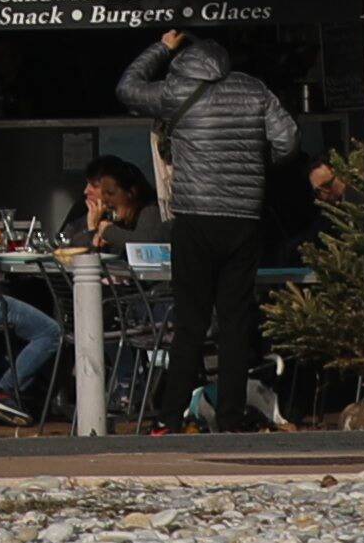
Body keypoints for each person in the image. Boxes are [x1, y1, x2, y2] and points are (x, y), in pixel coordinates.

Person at [118, 23, 295, 435]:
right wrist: (254, 167)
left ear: (183, 62)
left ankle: (169, 417)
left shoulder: (175, 90)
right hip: (243, 217)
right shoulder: (253, 89)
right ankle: (230, 418)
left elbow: (127, 87)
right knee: (235, 322)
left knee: (191, 323)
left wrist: (160, 47)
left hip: (195, 218)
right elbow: (288, 139)